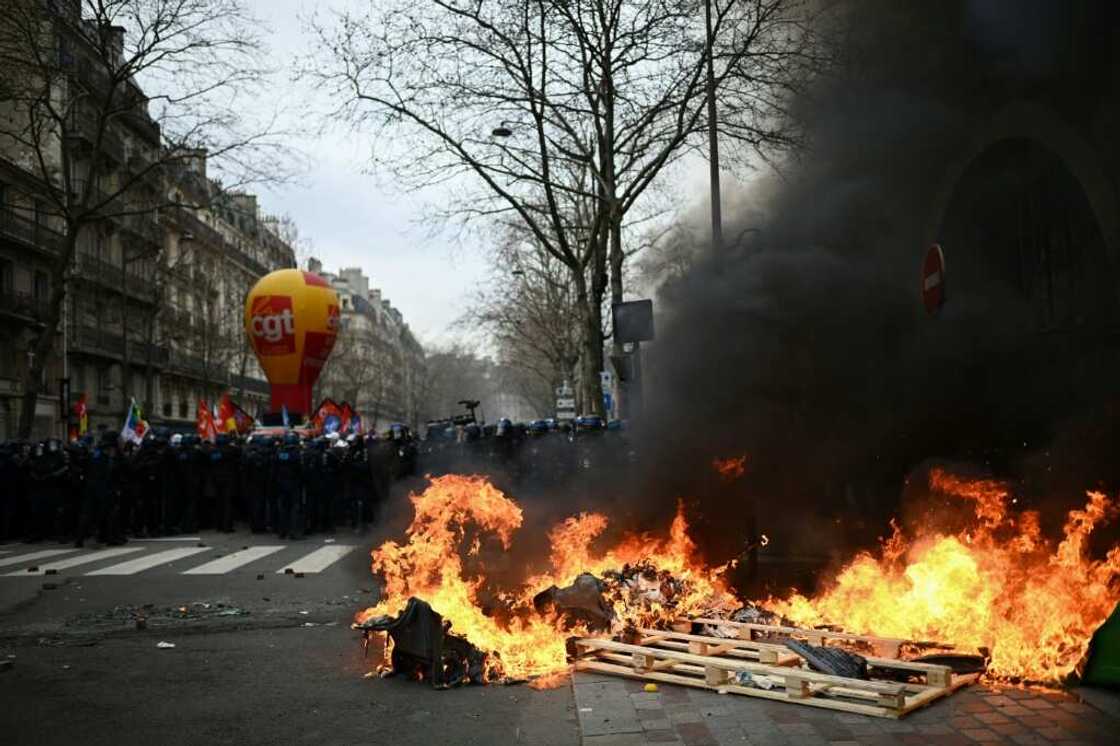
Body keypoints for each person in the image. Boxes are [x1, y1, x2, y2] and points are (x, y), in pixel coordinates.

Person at [274, 432, 304, 539]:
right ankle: (294, 532)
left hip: (281, 484)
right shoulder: (297, 454)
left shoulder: (279, 453)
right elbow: (301, 470)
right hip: (294, 484)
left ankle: (282, 532)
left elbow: (275, 468)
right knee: (294, 508)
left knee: (283, 508)